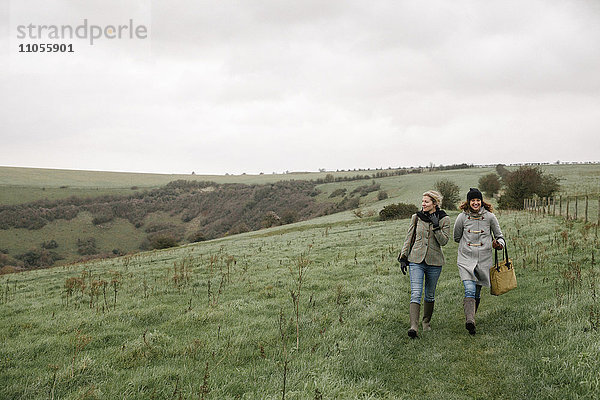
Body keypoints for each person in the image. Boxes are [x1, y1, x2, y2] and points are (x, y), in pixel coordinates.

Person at [398, 190, 450, 338]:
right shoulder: (416, 217)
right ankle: (413, 327)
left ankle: (426, 323)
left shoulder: (444, 219)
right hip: (416, 260)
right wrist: (403, 257)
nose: (423, 204)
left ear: (435, 203)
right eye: (422, 201)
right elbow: (409, 238)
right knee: (415, 293)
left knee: (430, 294)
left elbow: (444, 241)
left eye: (426, 202)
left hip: (435, 262)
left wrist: (436, 227)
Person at [453, 188, 505, 335]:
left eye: (478, 200)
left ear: (481, 201)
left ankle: (472, 319)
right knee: (469, 288)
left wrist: (499, 244)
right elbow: (457, 237)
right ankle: (470, 320)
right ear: (468, 202)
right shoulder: (461, 218)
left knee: (477, 291)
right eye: (472, 200)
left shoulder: (490, 217)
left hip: (484, 260)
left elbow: (500, 237)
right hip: (465, 259)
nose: (475, 203)